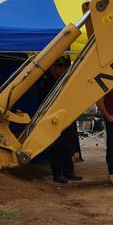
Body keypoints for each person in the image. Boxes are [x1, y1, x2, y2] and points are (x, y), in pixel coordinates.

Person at [38, 56, 83, 184]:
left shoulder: (66, 80)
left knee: (69, 145)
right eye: (58, 67)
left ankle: (69, 172)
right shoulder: (46, 81)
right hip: (53, 119)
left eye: (62, 68)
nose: (60, 70)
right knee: (57, 147)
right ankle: (58, 173)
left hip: (67, 116)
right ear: (52, 68)